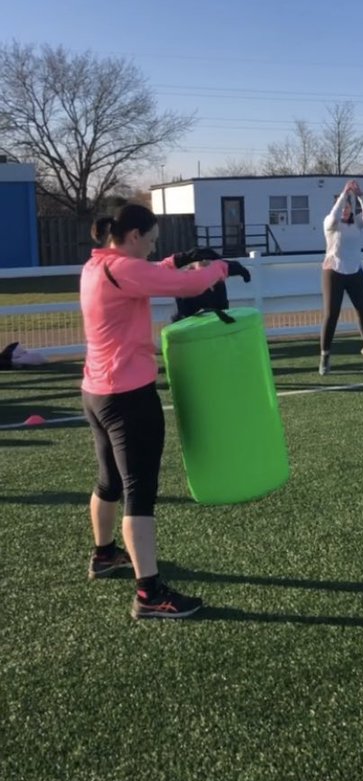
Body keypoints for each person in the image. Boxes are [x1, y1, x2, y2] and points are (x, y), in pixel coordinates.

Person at [80, 203, 248, 620]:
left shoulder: (97, 266)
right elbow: (187, 288)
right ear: (133, 236)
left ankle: (104, 555)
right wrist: (221, 267)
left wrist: (180, 260)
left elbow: (155, 273)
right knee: (139, 492)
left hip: (96, 394)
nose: (155, 249)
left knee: (109, 482)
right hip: (128, 398)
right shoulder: (124, 270)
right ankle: (150, 595)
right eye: (152, 241)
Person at [319, 179, 363, 376]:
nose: (346, 210)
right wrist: (344, 194)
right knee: (332, 314)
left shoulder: (356, 225)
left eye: (348, 207)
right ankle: (325, 356)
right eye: (343, 206)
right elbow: (334, 214)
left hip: (355, 270)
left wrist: (360, 195)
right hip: (334, 271)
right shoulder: (330, 223)